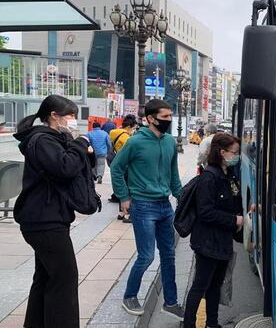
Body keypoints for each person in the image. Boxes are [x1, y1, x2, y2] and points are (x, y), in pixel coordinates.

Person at [13, 95, 93, 328]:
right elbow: (65, 168)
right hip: (44, 220)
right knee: (64, 279)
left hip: (45, 218)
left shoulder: (52, 139)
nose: (73, 120)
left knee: (46, 277)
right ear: (53, 116)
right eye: (69, 116)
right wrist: (78, 144)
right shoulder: (42, 140)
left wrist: (73, 143)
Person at [110, 99, 184, 318]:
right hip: (143, 206)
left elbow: (174, 174)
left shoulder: (170, 142)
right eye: (164, 117)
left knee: (169, 255)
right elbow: (116, 168)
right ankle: (129, 296)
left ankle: (171, 303)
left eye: (171, 116)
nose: (169, 121)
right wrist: (124, 197)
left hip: (165, 206)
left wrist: (182, 197)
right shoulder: (135, 142)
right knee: (146, 256)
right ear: (150, 118)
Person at [184, 133, 244, 328]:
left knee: (216, 286)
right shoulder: (209, 178)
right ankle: (189, 324)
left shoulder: (229, 174)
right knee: (200, 286)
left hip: (222, 240)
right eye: (234, 152)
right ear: (222, 152)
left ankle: (212, 323)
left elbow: (232, 201)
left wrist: (246, 211)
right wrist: (233, 219)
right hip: (207, 242)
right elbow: (205, 212)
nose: (237, 156)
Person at [109, 114, 137, 223]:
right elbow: (130, 152)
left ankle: (121, 212)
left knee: (122, 187)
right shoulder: (126, 137)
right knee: (128, 189)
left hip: (118, 161)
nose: (134, 131)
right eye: (133, 128)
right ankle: (127, 214)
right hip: (126, 165)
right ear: (129, 127)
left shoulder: (114, 133)